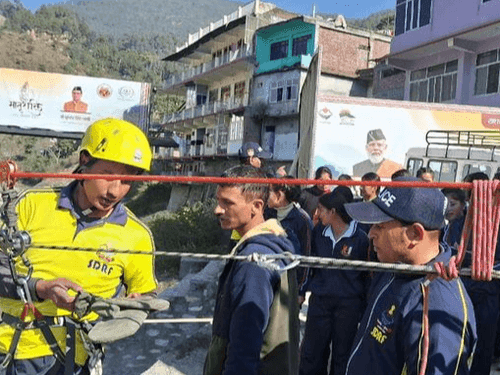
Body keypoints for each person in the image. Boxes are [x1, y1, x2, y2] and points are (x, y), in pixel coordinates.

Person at [0, 118, 158, 374]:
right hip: (8, 350)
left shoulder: (136, 236)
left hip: (75, 360)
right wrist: (40, 288)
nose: (115, 191)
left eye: (127, 180)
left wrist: (136, 306)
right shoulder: (29, 206)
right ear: (85, 161)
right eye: (107, 176)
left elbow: (145, 292)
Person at [344, 177, 477, 375]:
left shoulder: (439, 307)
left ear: (415, 234)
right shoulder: (396, 269)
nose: (370, 233)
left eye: (380, 226)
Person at [204, 165, 299, 375]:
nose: (217, 210)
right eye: (218, 201)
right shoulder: (276, 244)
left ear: (256, 206)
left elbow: (244, 347)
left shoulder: (253, 262)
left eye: (227, 203)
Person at [299, 188, 370, 375]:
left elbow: (366, 276)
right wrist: (302, 290)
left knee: (342, 355)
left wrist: (364, 307)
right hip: (320, 301)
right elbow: (310, 264)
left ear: (333, 212)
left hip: (348, 306)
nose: (317, 213)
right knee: (312, 353)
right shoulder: (319, 233)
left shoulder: (360, 238)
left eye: (321, 209)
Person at [267, 176, 313, 298]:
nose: (265, 195)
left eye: (269, 192)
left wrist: (301, 290)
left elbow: (306, 256)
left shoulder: (302, 220)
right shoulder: (266, 214)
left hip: (289, 282)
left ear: (279, 196)